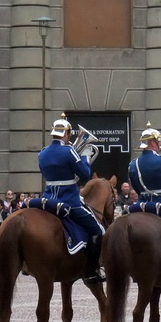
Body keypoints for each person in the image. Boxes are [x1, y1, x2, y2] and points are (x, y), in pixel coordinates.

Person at [37, 113, 105, 283]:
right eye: (69, 135)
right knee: (98, 230)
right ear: (66, 134)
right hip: (69, 200)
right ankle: (91, 271)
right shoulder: (69, 151)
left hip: (48, 198)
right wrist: (86, 157)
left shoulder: (43, 153)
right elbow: (85, 173)